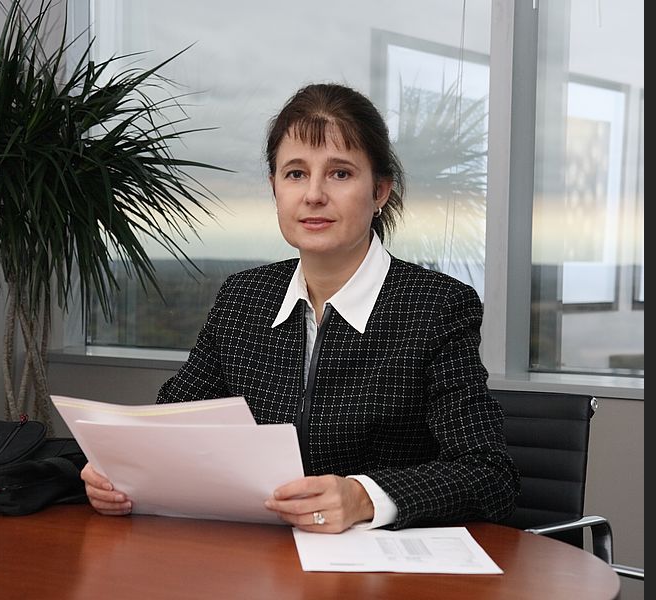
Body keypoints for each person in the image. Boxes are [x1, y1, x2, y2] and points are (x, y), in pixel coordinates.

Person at [81, 83, 519, 533]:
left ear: (380, 191)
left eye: (340, 174)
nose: (313, 194)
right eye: (295, 173)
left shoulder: (436, 307)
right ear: (274, 187)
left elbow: (488, 473)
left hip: (376, 571)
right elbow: (169, 428)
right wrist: (122, 471)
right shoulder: (242, 298)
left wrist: (362, 496)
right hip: (254, 559)